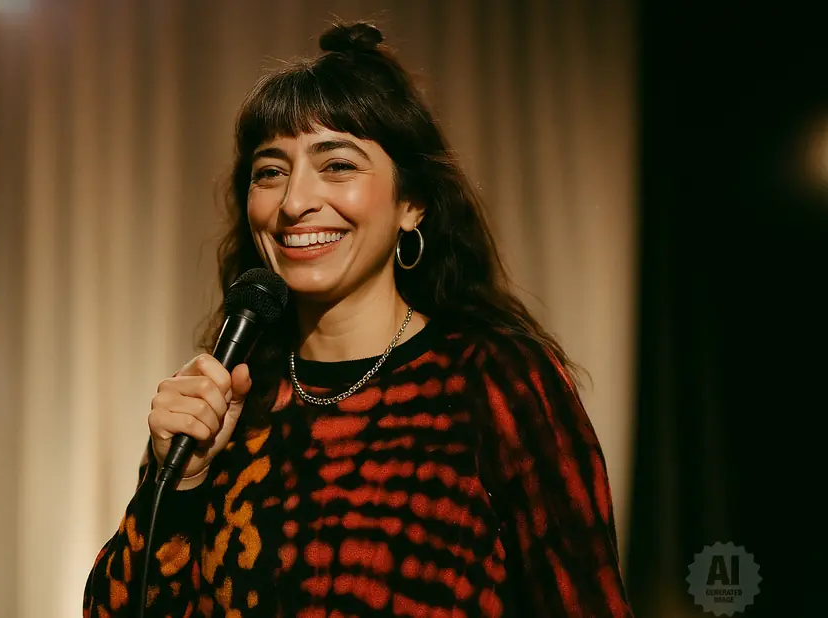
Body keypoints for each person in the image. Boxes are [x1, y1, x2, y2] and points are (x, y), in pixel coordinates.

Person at [83, 21, 633, 618]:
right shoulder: (230, 401)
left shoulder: (494, 381)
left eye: (338, 165)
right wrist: (182, 483)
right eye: (270, 171)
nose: (295, 202)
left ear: (412, 203)